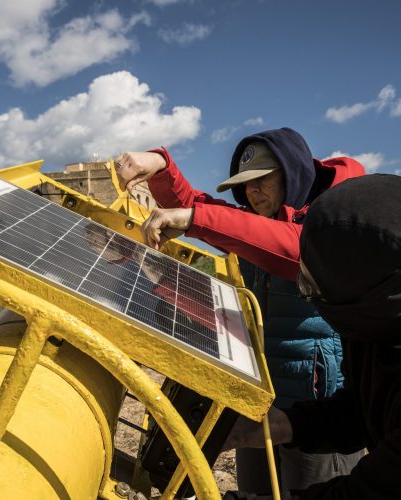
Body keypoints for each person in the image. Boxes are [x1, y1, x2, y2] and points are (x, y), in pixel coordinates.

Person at [116, 128, 366, 493]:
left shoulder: (328, 224)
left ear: (292, 174)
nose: (252, 191)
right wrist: (160, 167)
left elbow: (296, 251)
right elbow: (199, 207)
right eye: (246, 184)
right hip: (258, 400)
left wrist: (194, 220)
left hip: (318, 409)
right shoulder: (257, 225)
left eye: (263, 179)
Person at [224, 173, 401, 499]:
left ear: (372, 296)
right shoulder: (375, 330)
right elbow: (359, 413)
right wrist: (285, 425)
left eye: (315, 287)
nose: (306, 295)